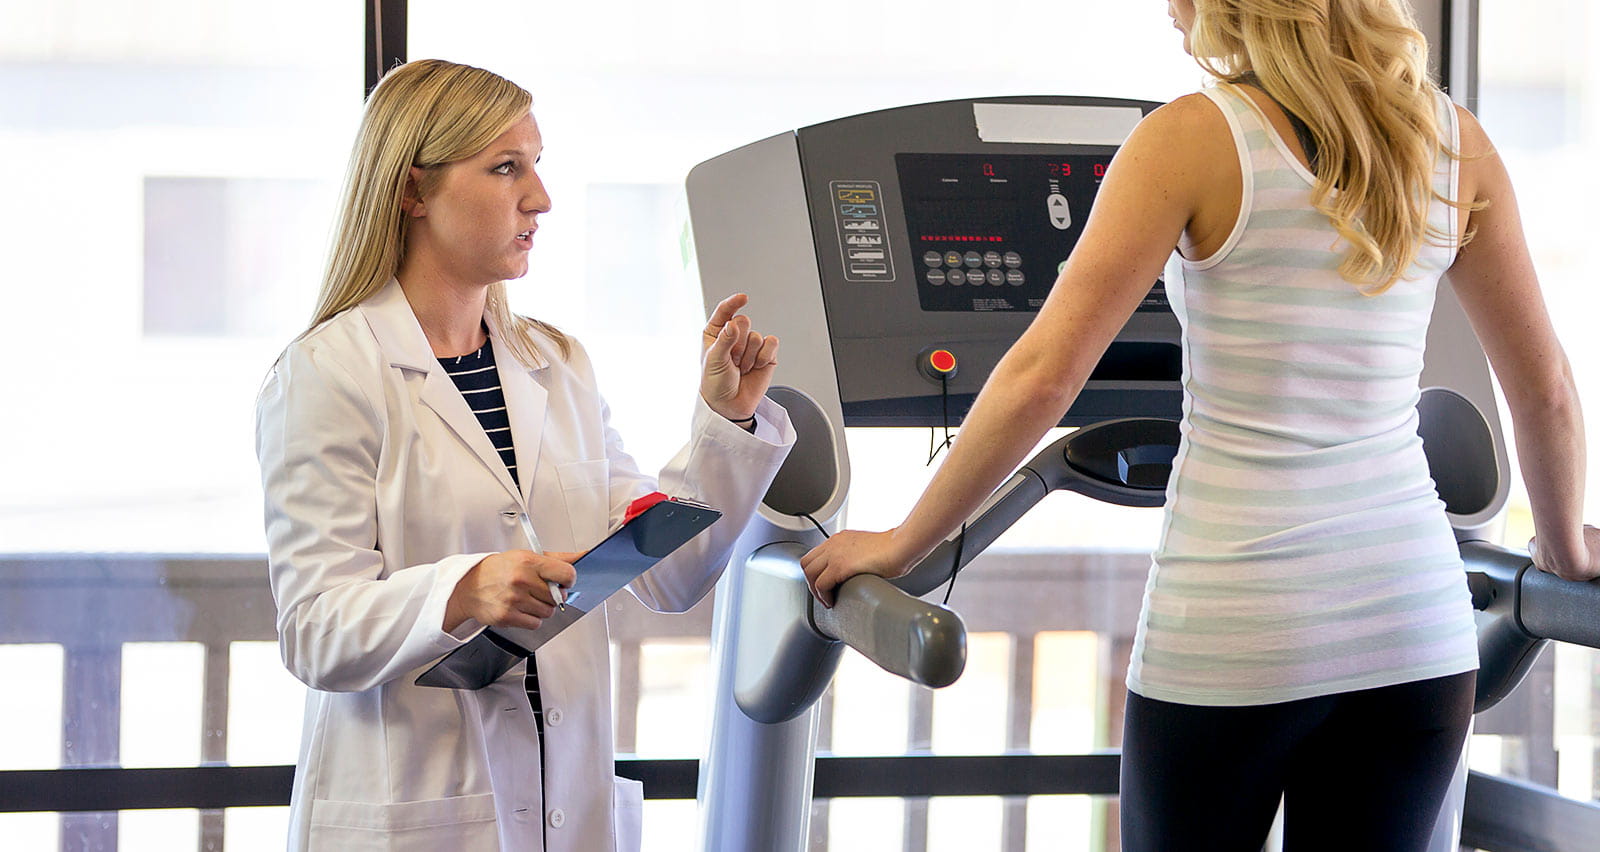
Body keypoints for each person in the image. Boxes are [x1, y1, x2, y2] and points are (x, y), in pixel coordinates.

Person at [801, 1, 1600, 849]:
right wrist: (1565, 551)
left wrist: (903, 541)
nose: (1170, 7)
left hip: (1235, 631)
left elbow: (1042, 379)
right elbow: (1544, 387)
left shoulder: (1191, 139)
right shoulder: (1453, 143)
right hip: (1413, 633)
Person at [256, 59, 794, 851]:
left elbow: (667, 574)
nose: (538, 197)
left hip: (563, 810)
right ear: (412, 192)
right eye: (506, 168)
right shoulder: (328, 373)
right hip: (417, 815)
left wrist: (725, 423)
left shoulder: (556, 364)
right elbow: (314, 628)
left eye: (535, 165)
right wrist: (463, 590)